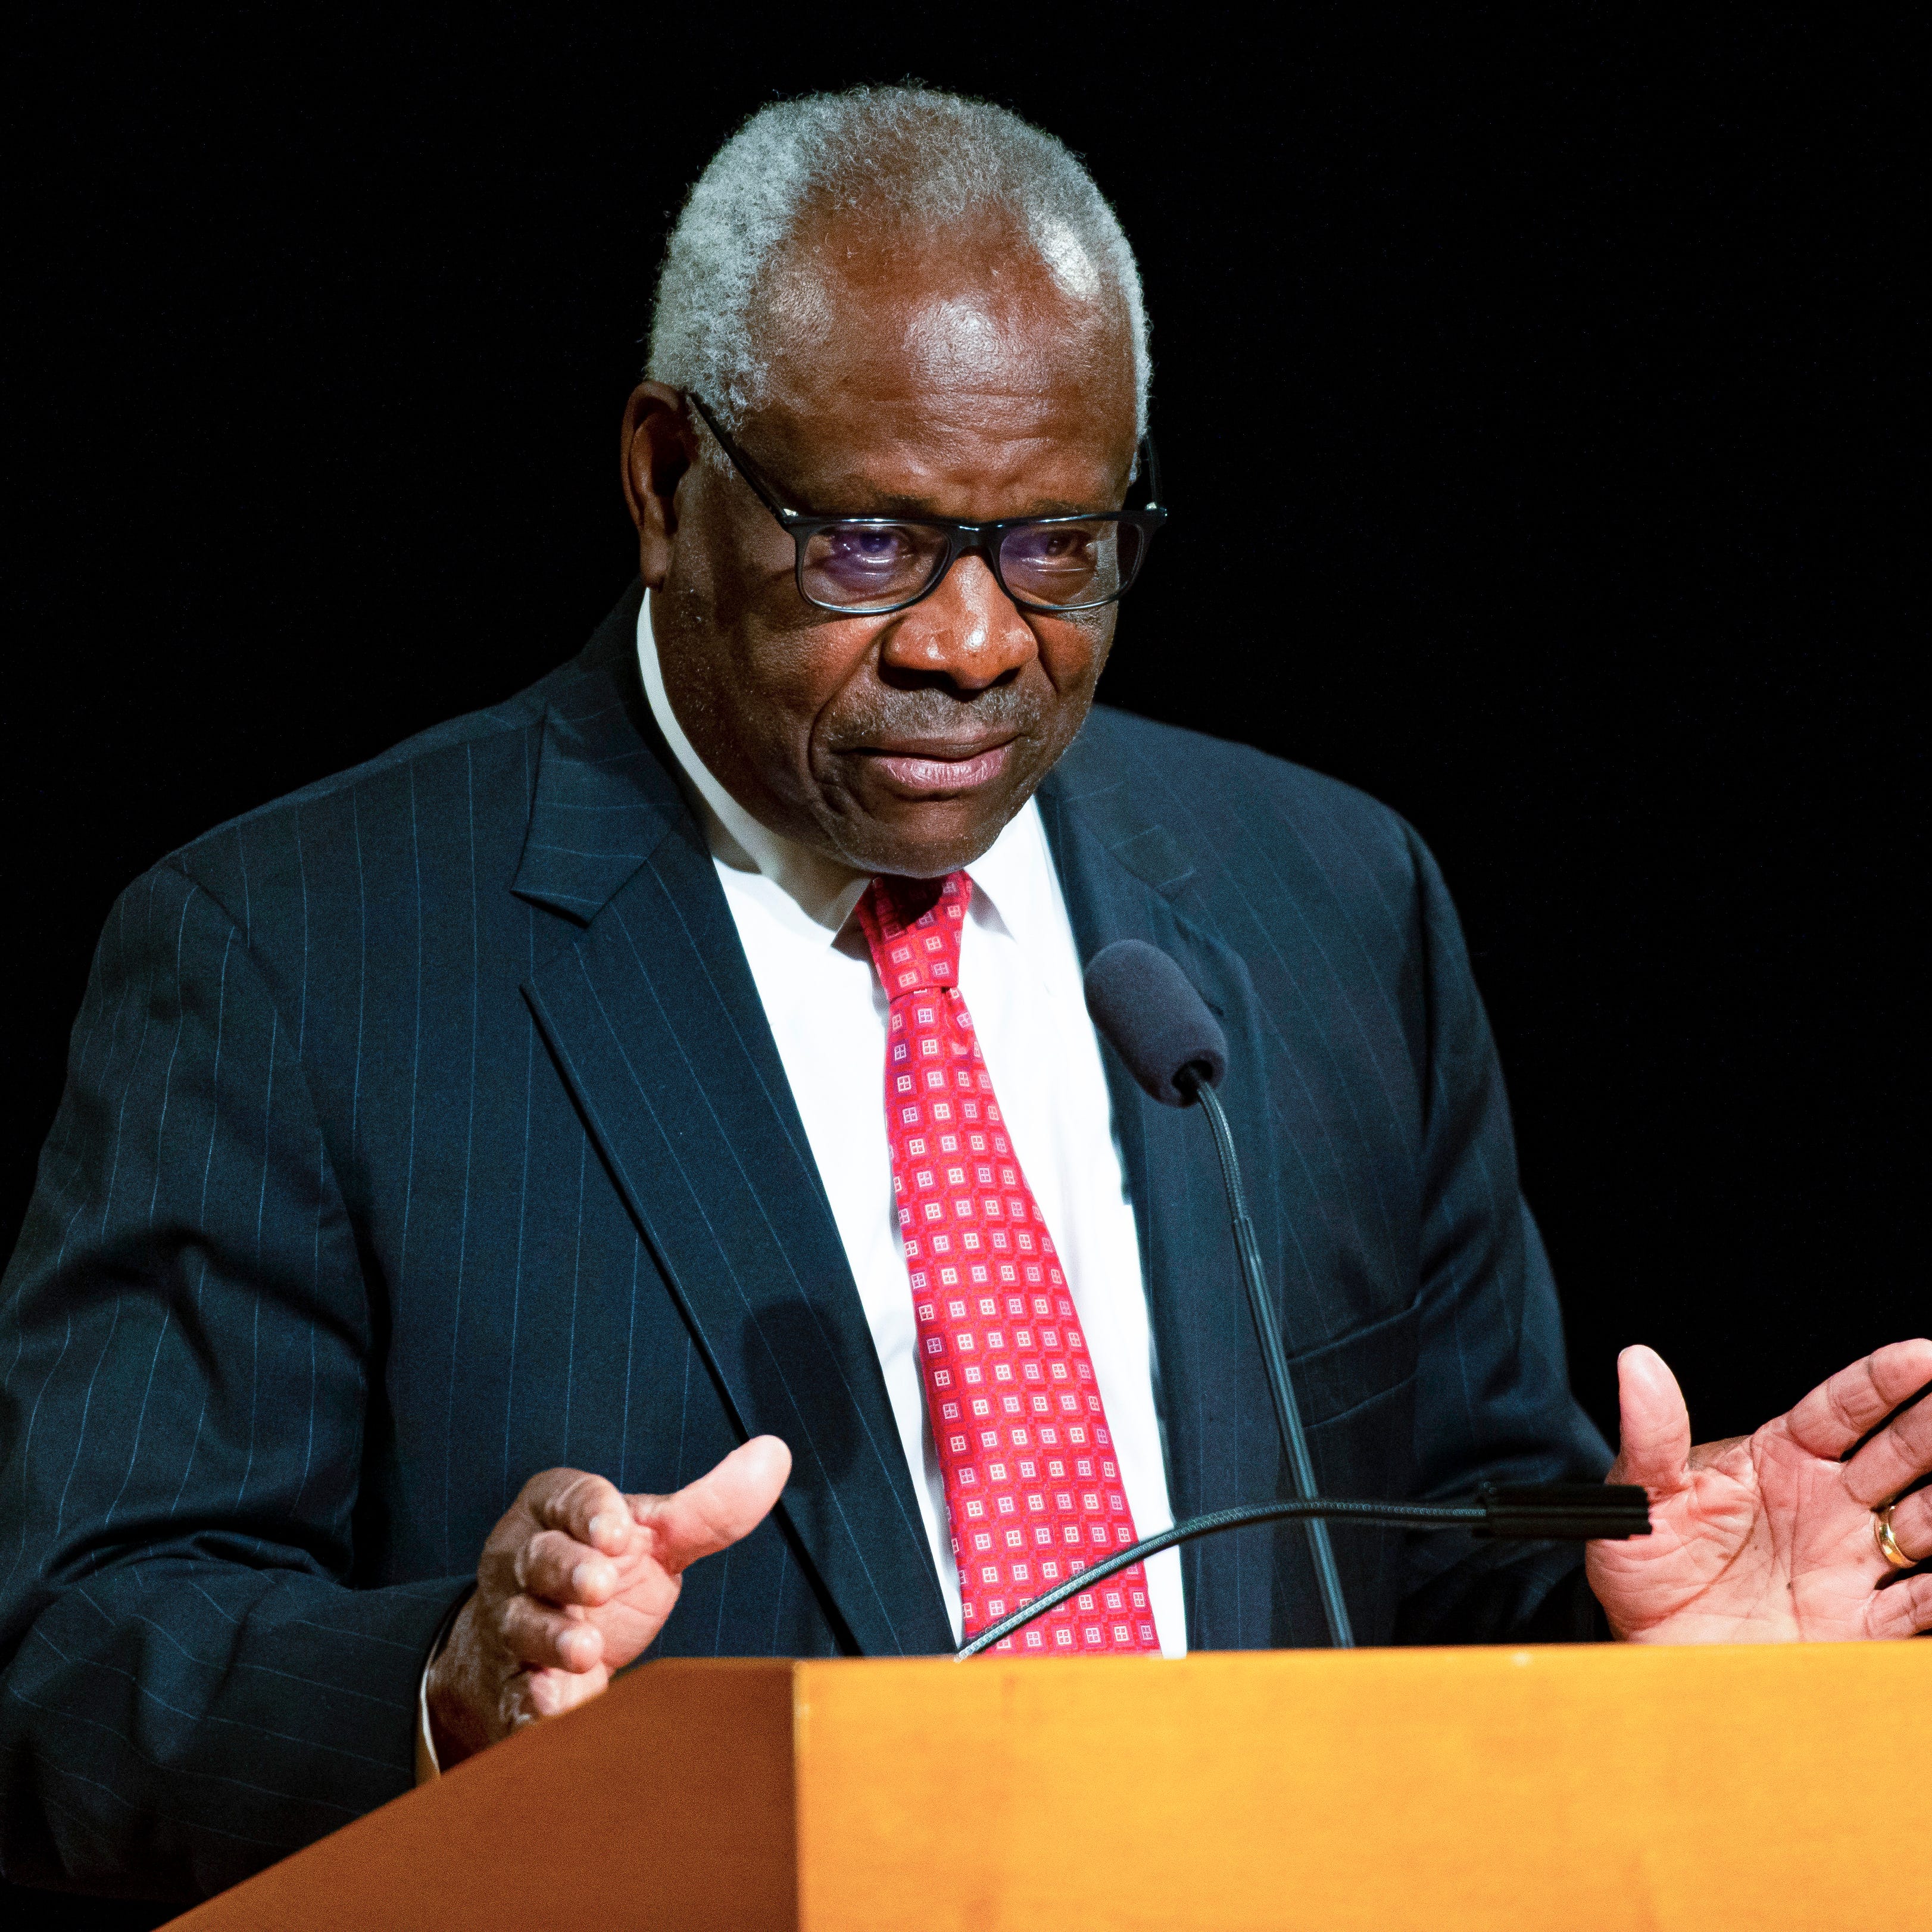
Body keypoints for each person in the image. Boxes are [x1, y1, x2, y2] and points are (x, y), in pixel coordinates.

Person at [2, 85, 1925, 1911]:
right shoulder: (300, 953)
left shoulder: (1326, 900)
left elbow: (1420, 1561)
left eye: (1057, 551)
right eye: (869, 543)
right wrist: (444, 1683)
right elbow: (78, 1664)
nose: (971, 640)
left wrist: (1643, 1633)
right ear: (667, 481)